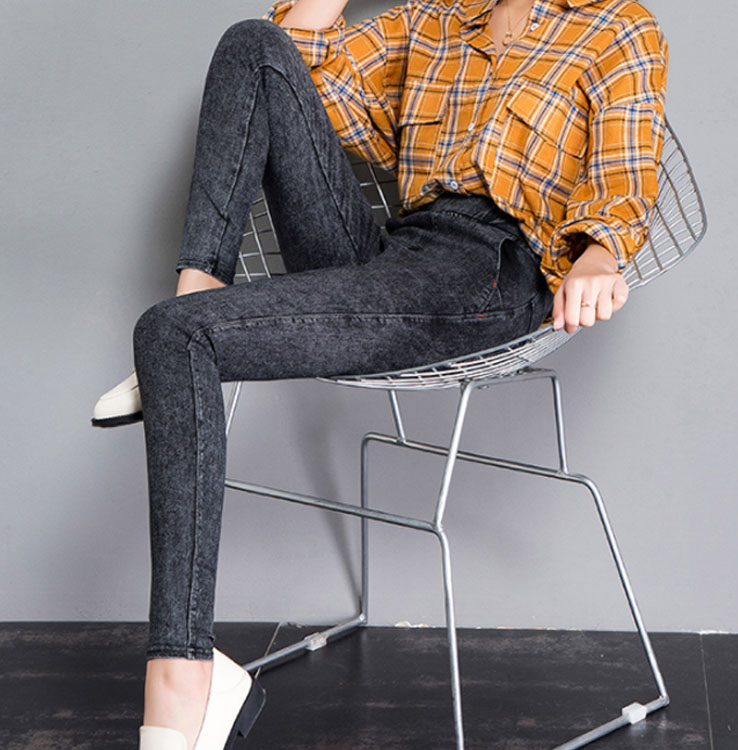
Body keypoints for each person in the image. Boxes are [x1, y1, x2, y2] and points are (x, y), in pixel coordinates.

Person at [92, 0, 668, 747]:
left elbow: (626, 178)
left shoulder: (615, 26)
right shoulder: (439, 17)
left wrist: (600, 255)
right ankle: (198, 299)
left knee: (168, 336)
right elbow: (304, 70)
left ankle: (182, 681)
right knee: (255, 44)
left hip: (488, 270)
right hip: (391, 251)